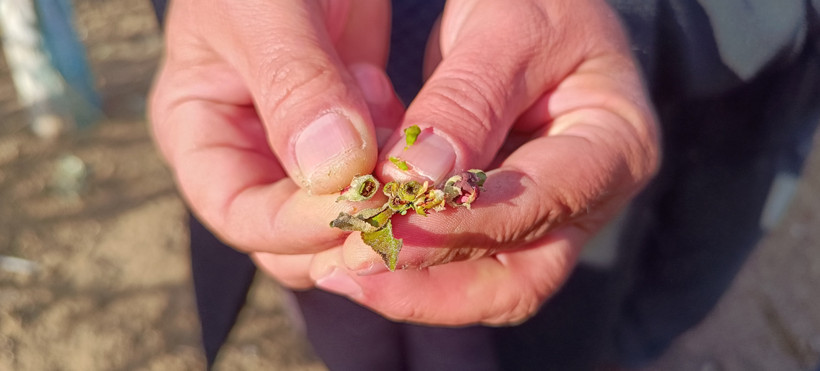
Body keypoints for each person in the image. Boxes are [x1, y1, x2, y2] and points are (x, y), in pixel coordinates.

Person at [149, 0, 820, 369]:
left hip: (565, 148)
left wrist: (629, 14)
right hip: (319, 178)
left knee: (561, 333)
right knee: (349, 313)